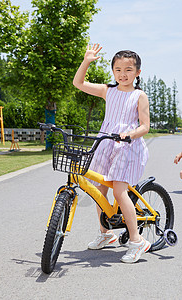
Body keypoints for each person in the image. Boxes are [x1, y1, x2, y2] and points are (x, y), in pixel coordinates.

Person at [73, 44, 151, 263]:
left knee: (119, 191)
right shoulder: (108, 90)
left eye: (128, 70)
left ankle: (136, 241)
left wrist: (129, 134)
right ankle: (106, 234)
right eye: (118, 69)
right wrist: (87, 60)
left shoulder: (139, 96)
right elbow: (78, 83)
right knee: (99, 190)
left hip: (128, 146)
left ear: (137, 72)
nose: (122, 74)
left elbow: (145, 126)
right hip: (106, 143)